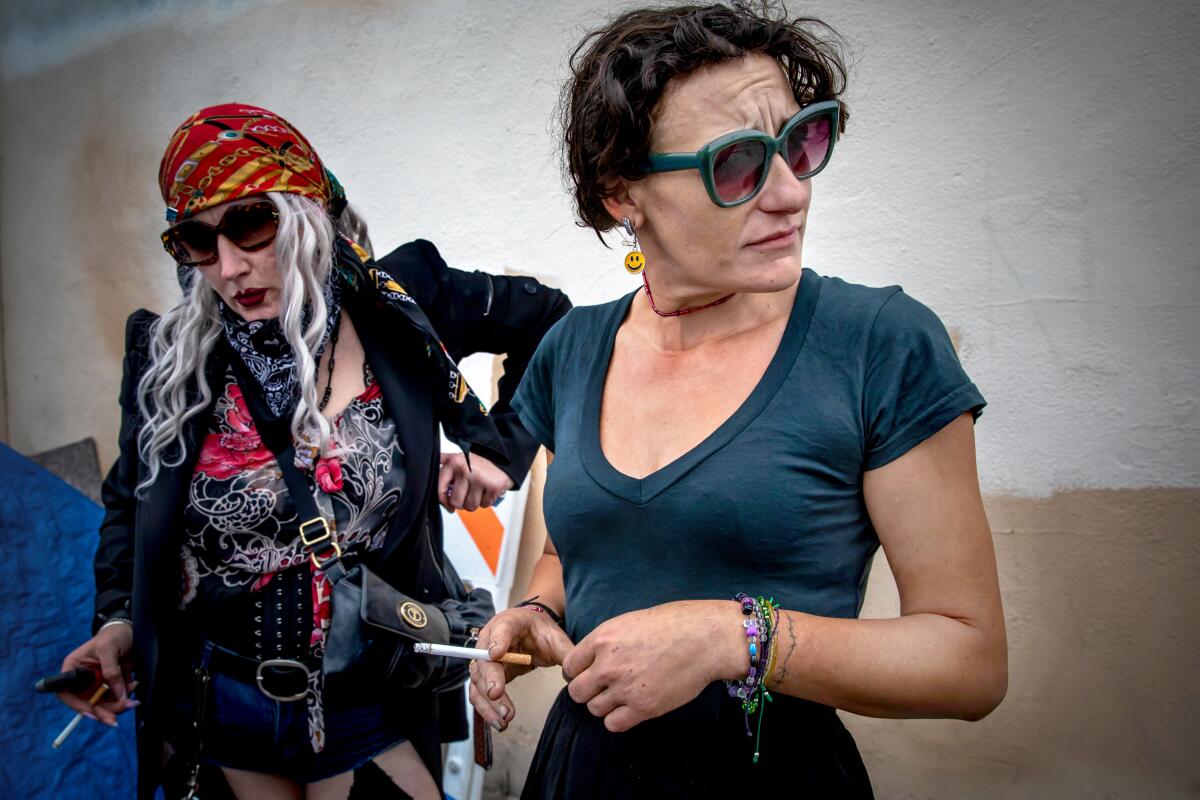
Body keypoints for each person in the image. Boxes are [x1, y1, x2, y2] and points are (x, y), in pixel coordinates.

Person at [468, 3, 1008, 797]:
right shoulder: (573, 351)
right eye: (738, 165)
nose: (790, 193)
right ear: (624, 194)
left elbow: (970, 662)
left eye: (802, 142)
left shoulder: (878, 344)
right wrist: (534, 616)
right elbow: (572, 551)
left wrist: (735, 636)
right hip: (582, 772)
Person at [55, 103, 571, 800]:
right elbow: (129, 504)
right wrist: (116, 623)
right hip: (221, 704)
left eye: (250, 224)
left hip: (367, 698)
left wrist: (501, 455)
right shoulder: (169, 356)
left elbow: (549, 324)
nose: (231, 266)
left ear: (304, 212)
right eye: (197, 241)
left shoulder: (400, 301)